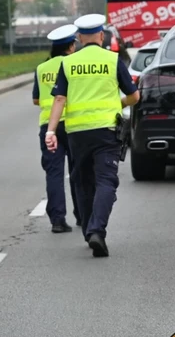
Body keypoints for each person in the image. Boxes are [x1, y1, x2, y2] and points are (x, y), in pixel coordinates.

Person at [44, 14, 140, 258]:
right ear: (101, 36)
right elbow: (134, 96)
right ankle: (98, 230)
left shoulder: (68, 63)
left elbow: (59, 98)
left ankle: (89, 229)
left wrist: (51, 130)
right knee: (106, 181)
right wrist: (118, 103)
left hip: (77, 134)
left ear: (78, 38)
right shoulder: (112, 60)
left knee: (83, 182)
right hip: (107, 131)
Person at [33, 24, 82, 234]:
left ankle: (58, 221)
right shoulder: (73, 64)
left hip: (48, 126)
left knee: (54, 173)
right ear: (71, 46)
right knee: (77, 171)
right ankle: (81, 214)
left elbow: (36, 99)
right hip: (72, 124)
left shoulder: (41, 68)